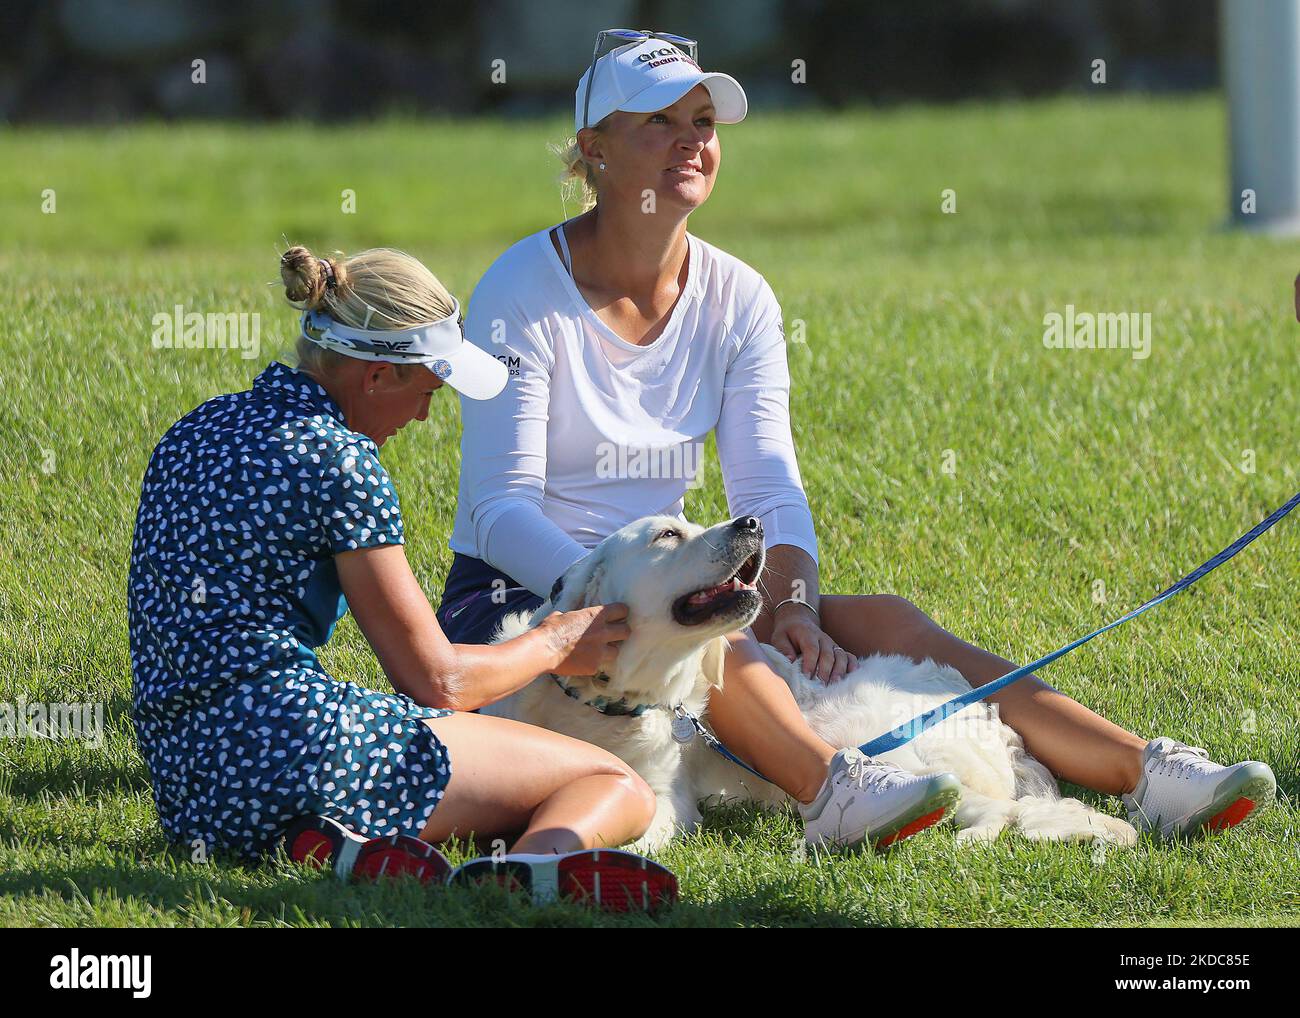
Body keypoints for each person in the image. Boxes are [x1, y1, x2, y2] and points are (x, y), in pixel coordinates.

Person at [438, 29, 1277, 847]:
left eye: (702, 121)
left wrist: (793, 603)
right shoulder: (520, 288)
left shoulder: (741, 297)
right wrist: (599, 612)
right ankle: (832, 790)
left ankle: (1148, 774)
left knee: (889, 621)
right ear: (595, 149)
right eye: (658, 121)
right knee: (721, 638)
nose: (689, 142)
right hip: (522, 599)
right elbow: (499, 507)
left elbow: (767, 489)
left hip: (669, 577)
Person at [127, 244, 678, 911]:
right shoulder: (343, 463)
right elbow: (435, 680)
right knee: (615, 783)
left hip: (187, 789)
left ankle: (331, 845)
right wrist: (557, 642)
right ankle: (521, 876)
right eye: (426, 393)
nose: (422, 417)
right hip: (289, 755)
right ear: (377, 376)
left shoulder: (198, 427)